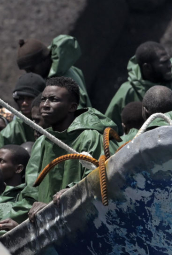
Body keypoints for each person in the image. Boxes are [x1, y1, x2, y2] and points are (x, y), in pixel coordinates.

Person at [26, 77, 118, 217]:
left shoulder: (89, 137)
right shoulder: (42, 142)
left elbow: (97, 177)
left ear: (72, 107)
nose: (45, 104)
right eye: (43, 99)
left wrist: (71, 192)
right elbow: (31, 189)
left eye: (53, 99)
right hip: (46, 221)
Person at [0, 73, 45, 171]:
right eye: (21, 98)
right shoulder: (11, 131)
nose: (24, 103)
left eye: (30, 98)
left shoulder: (58, 120)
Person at [17, 35, 91, 108]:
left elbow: (77, 114)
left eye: (32, 68)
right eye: (26, 70)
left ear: (44, 60)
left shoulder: (62, 83)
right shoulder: (64, 69)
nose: (30, 73)